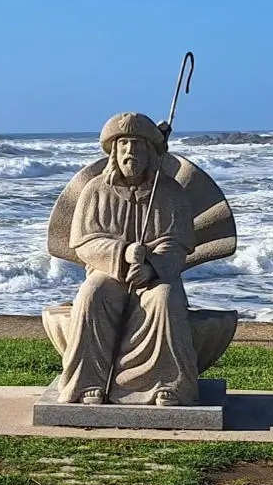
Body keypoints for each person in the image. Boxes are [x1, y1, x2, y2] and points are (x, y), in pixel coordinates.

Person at [58, 112, 200, 406]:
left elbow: (178, 243)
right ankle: (88, 382)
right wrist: (121, 254)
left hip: (155, 275)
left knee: (164, 299)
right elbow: (84, 242)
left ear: (150, 152)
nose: (129, 153)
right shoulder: (96, 189)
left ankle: (166, 384)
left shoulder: (169, 192)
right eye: (123, 147)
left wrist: (152, 266)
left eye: (137, 146)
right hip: (107, 272)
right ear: (114, 152)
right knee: (92, 294)